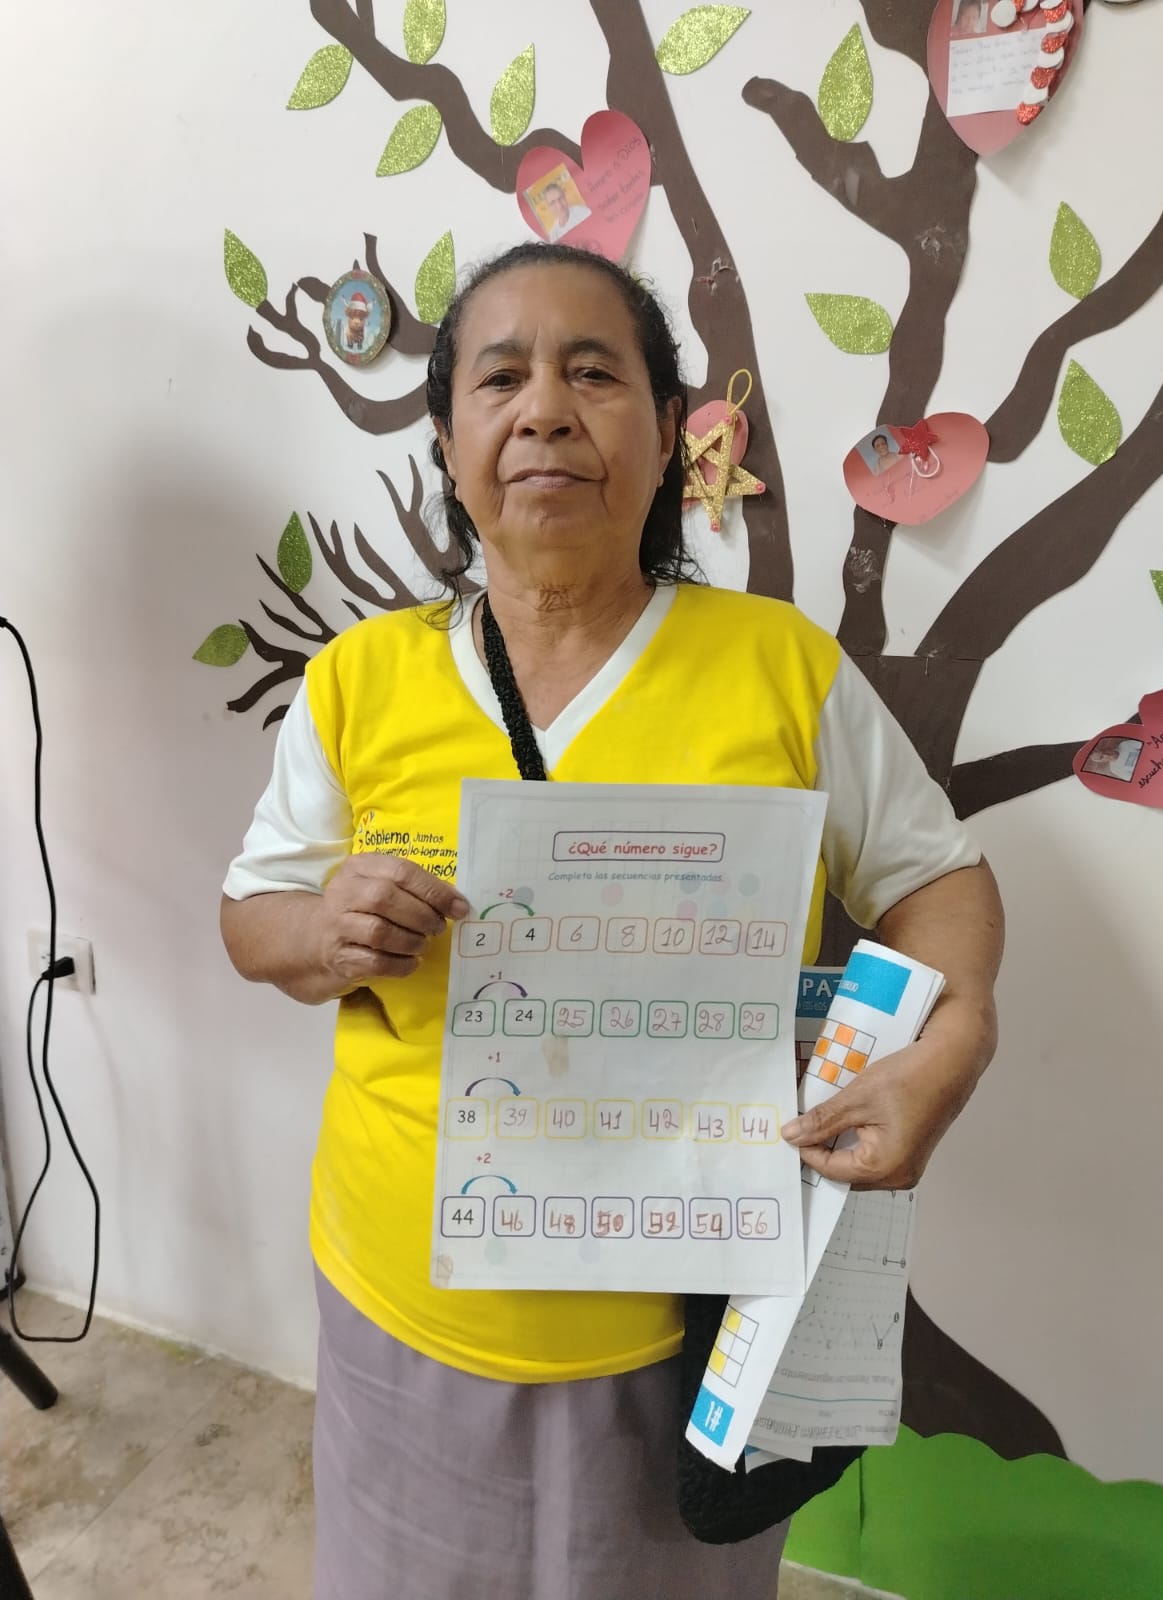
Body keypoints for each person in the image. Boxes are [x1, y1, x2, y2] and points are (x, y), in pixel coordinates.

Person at [220, 241, 1004, 1600]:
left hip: (688, 1322)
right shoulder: (359, 680)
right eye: (500, 378)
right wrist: (320, 930)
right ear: (449, 441)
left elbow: (936, 881)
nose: (544, 409)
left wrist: (957, 1037)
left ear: (667, 434)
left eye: (594, 373)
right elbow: (251, 919)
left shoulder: (779, 668)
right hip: (409, 1304)